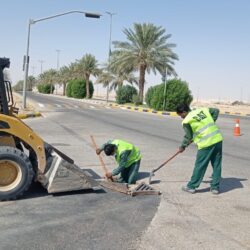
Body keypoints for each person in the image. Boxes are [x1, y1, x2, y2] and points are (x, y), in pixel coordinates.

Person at [176, 103, 223, 194]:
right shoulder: (201, 110)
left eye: (180, 115)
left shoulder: (186, 121)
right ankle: (215, 188)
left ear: (184, 112)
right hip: (217, 140)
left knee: (200, 165)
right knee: (217, 164)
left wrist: (182, 146)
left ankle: (191, 186)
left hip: (206, 144)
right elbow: (216, 111)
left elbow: (188, 136)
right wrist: (211, 122)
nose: (181, 117)